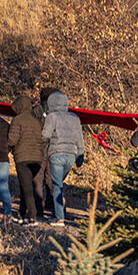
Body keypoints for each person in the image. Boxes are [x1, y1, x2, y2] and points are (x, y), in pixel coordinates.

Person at [42, 91, 85, 227]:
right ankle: (57, 211)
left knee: (57, 186)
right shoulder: (75, 118)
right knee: (59, 184)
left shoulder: (51, 116)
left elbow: (45, 135)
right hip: (71, 155)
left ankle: (59, 218)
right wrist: (80, 155)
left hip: (56, 154)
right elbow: (80, 138)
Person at [8, 95, 45, 224]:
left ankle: (32, 217)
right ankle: (21, 214)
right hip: (38, 159)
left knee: (27, 188)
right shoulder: (36, 121)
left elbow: (12, 139)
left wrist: (7, 145)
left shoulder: (17, 120)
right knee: (26, 185)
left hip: (23, 158)